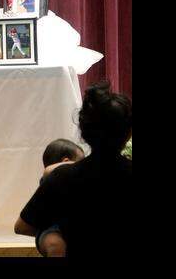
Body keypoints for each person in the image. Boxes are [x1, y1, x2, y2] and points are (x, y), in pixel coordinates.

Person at [15, 82, 132, 257]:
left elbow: (23, 226)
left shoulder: (62, 177)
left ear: (83, 132)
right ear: (129, 132)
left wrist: (51, 234)